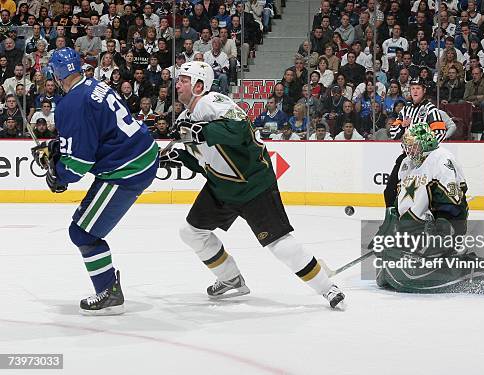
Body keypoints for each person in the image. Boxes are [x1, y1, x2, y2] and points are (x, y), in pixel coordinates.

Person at [162, 61, 345, 308]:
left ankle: (327, 288)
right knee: (191, 231)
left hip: (253, 185)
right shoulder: (186, 118)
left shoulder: (212, 101)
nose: (178, 84)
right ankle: (231, 279)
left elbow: (240, 129)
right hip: (222, 188)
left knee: (279, 244)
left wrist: (202, 132)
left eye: (184, 80)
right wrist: (181, 157)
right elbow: (207, 162)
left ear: (199, 85)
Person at [30, 47, 159, 315]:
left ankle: (108, 290)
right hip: (139, 155)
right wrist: (57, 148)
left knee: (82, 233)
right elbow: (95, 132)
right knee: (84, 229)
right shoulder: (93, 85)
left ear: (56, 73)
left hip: (127, 169)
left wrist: (57, 174)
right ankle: (107, 287)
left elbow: (78, 165)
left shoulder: (70, 104)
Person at [374, 123, 484, 292]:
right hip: (416, 228)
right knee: (390, 251)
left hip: (440, 225)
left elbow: (453, 203)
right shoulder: (407, 163)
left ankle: (461, 261)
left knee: (425, 250)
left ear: (425, 143)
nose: (409, 151)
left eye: (413, 146)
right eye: (408, 147)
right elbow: (400, 200)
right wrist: (390, 223)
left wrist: (442, 227)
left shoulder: (442, 160)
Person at [384, 79, 446, 207]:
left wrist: (422, 146)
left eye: (418, 88)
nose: (415, 91)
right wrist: (402, 126)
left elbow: (440, 132)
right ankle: (391, 222)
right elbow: (393, 133)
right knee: (390, 190)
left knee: (423, 195)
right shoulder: (405, 110)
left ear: (424, 91)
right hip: (407, 157)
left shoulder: (431, 110)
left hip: (426, 159)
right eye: (413, 88)